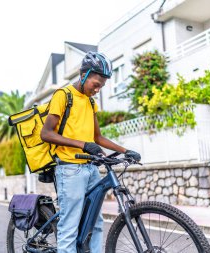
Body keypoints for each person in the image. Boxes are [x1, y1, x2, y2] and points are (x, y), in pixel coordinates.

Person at [41, 51, 141, 253]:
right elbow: (46, 133)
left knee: (95, 223)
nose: (98, 90)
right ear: (84, 75)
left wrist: (125, 150)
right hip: (69, 169)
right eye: (96, 84)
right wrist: (82, 145)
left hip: (90, 168)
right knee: (69, 225)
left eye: (102, 86)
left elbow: (98, 138)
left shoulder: (91, 102)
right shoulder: (63, 96)